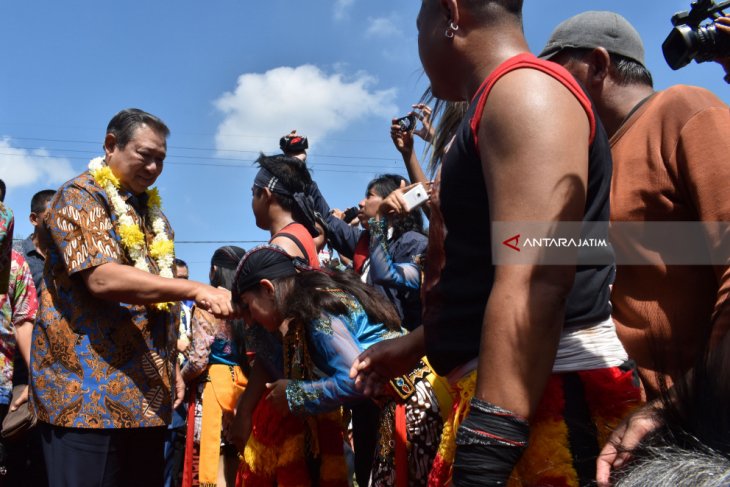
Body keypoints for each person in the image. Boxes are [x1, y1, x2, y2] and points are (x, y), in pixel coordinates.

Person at [352, 2, 641, 486]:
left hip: (549, 406)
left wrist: (486, 451)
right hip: (517, 397)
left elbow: (536, 279)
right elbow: (496, 274)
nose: (417, 39)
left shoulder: (525, 90)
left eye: (418, 22)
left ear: (450, 12)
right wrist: (421, 342)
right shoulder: (502, 98)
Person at [539, 11, 730, 483]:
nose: (542, 94)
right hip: (632, 430)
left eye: (556, 75)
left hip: (699, 434)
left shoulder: (684, 110)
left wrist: (676, 402)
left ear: (599, 66)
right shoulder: (592, 166)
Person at [29, 108, 233, 487]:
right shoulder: (78, 197)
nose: (154, 167)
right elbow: (103, 279)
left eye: (161, 159)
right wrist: (195, 289)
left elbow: (157, 299)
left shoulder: (153, 215)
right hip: (87, 402)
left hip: (146, 399)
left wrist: (170, 360)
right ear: (111, 145)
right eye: (145, 154)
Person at [233, 245, 447, 486]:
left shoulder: (315, 309)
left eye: (248, 306)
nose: (250, 322)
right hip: (420, 393)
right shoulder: (318, 295)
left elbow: (355, 380)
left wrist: (292, 394)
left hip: (411, 402)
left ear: (267, 288)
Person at [181, 246, 248, 487]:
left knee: (213, 459)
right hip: (243, 390)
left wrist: (181, 377)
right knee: (236, 459)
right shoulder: (247, 303)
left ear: (215, 270)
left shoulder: (208, 305)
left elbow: (199, 359)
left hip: (211, 391)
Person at [10, 189, 54, 487]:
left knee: (45, 454)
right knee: (15, 440)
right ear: (33, 219)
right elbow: (18, 317)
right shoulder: (15, 259)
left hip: (55, 370)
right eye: (51, 217)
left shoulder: (71, 261)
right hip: (20, 370)